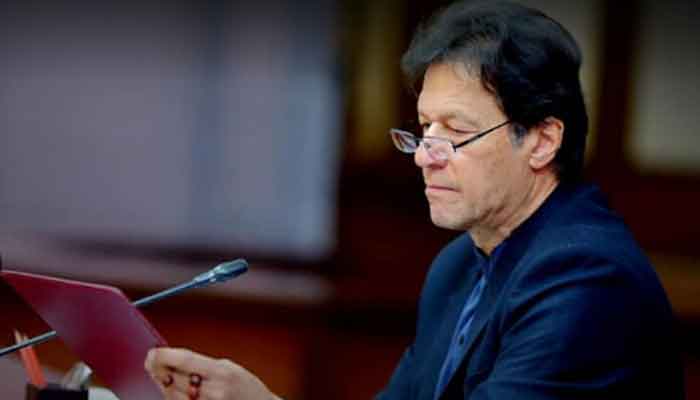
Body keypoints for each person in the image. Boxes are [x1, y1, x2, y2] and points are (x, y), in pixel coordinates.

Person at [145, 1, 685, 399]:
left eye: (456, 132)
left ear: (542, 141)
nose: (426, 155)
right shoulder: (459, 265)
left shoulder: (586, 280)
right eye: (425, 128)